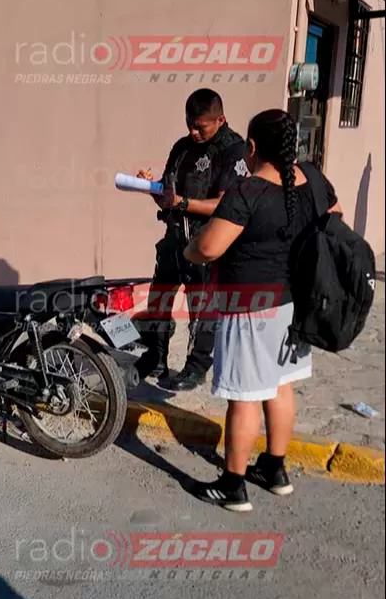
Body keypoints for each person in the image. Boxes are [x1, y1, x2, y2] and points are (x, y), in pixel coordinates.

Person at [182, 109, 341, 511]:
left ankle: (233, 485)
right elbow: (335, 218)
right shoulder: (313, 179)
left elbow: (209, 247)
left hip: (250, 309)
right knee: (280, 385)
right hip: (294, 306)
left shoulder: (248, 191)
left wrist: (189, 249)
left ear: (252, 147)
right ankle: (275, 468)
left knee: (245, 396)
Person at [133, 88, 251, 391]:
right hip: (174, 238)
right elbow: (168, 196)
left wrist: (182, 203)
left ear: (220, 119)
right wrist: (151, 188)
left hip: (207, 242)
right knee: (160, 299)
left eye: (201, 126)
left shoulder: (233, 150)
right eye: (189, 124)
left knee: (203, 307)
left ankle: (196, 367)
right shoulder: (182, 147)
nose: (193, 131)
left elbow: (224, 204)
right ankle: (155, 356)